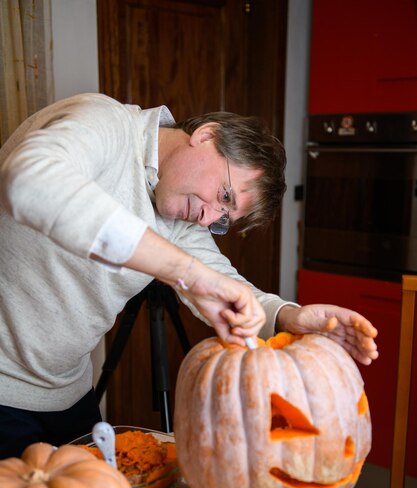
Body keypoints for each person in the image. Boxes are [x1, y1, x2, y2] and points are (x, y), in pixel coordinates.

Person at [0, 92, 378, 459]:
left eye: (225, 218)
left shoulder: (180, 216)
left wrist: (288, 316)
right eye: (225, 196)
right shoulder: (105, 121)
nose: (210, 217)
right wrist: (183, 270)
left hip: (67, 390)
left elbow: (221, 283)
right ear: (206, 136)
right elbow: (29, 181)